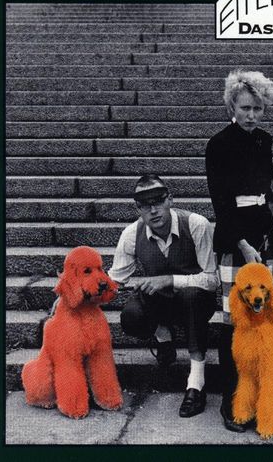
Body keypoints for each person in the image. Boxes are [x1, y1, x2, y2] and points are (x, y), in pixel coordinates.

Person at [109, 174, 218, 418]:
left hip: (196, 302)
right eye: (145, 205)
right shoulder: (131, 234)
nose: (153, 210)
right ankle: (163, 335)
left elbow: (212, 280)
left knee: (191, 295)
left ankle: (196, 382)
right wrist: (72, 295)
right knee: (131, 316)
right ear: (138, 209)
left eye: (158, 201)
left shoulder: (196, 224)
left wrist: (169, 279)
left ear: (170, 199)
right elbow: (113, 280)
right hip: (160, 304)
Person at [205, 69, 273, 432]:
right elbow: (221, 202)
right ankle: (232, 399)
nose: (251, 115)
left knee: (263, 318)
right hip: (234, 238)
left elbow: (269, 192)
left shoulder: (266, 141)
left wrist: (266, 238)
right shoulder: (218, 144)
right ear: (232, 106)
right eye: (245, 108)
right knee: (234, 320)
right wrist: (244, 245)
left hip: (264, 235)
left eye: (258, 109)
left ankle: (262, 393)